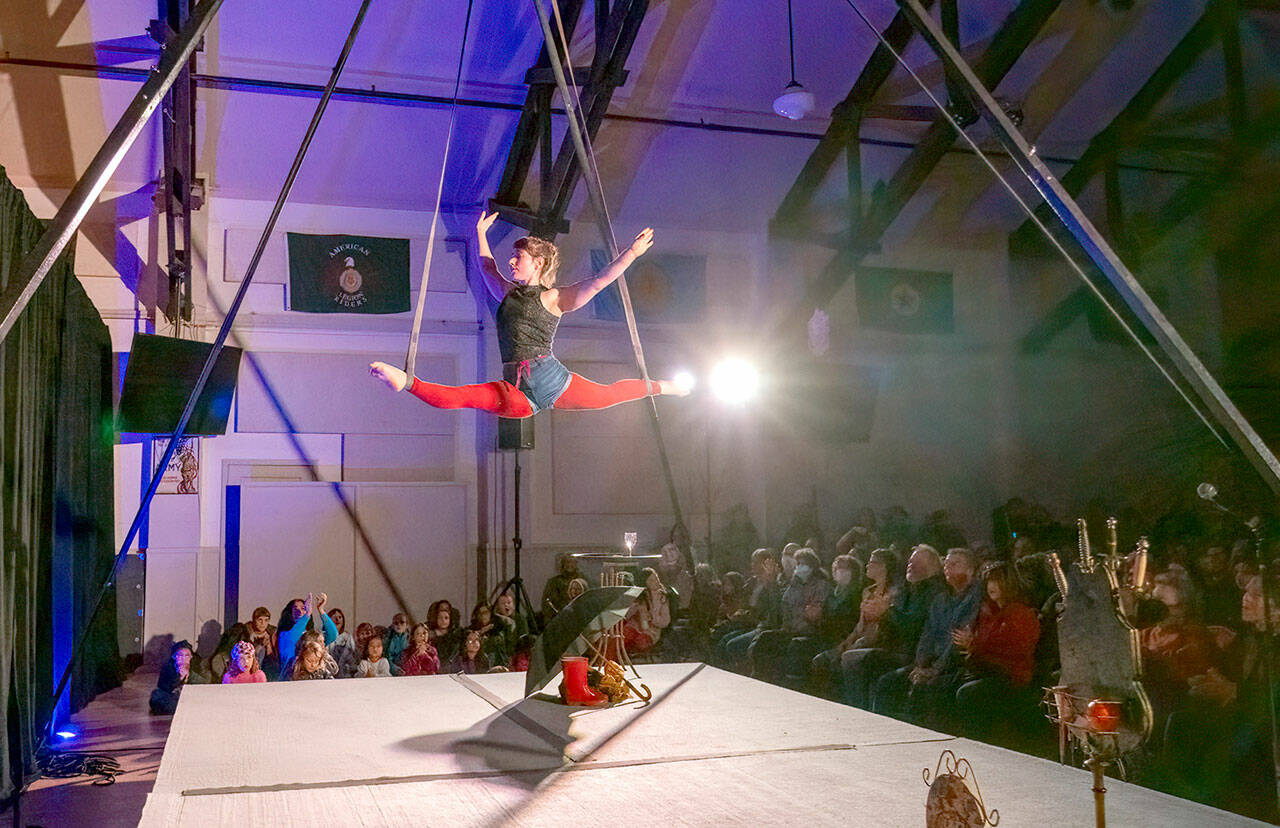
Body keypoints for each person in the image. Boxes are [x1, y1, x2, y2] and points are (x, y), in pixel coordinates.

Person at [370, 215, 689, 417]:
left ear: (537, 263)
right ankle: (406, 382)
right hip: (519, 394)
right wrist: (479, 233)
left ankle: (663, 387)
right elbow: (486, 267)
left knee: (609, 395)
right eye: (511, 256)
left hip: (553, 382)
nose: (511, 262)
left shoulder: (554, 298)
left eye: (517, 257)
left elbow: (600, 280)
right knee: (465, 397)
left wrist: (631, 253)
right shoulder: (507, 293)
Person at [873, 548, 983, 725]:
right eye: (946, 564)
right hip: (932, 663)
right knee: (888, 681)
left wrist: (936, 669)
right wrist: (921, 664)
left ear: (970, 570)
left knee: (928, 688)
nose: (948, 568)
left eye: (955, 564)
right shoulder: (941, 599)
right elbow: (928, 634)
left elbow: (957, 641)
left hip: (955, 666)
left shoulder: (974, 598)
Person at [951, 563, 1041, 740]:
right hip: (987, 670)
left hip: (1011, 677)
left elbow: (1014, 649)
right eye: (989, 581)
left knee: (967, 693)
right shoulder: (989, 613)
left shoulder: (1019, 613)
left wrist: (974, 644)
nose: (990, 586)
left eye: (996, 580)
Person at [277, 593, 338, 666]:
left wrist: (321, 610)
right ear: (289, 613)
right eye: (295, 609)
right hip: (291, 675)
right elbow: (292, 638)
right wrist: (306, 615)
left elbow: (333, 635)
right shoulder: (284, 635)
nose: (299, 612)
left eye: (303, 608)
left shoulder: (311, 635)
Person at [622, 567, 672, 655]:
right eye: (651, 580)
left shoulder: (662, 597)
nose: (656, 582)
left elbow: (665, 621)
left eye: (656, 579)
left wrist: (652, 617)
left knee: (641, 641)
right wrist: (635, 607)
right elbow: (627, 616)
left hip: (651, 631)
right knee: (624, 636)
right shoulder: (639, 597)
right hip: (635, 627)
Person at [150, 640, 208, 714]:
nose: (183, 659)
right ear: (174, 657)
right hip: (173, 698)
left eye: (187, 656)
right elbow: (163, 687)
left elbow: (205, 683)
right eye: (180, 656)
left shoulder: (197, 665)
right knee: (156, 695)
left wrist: (189, 676)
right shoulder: (168, 667)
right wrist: (178, 678)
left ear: (191, 657)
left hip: (191, 697)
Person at [541, 554, 583, 619]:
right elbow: (548, 604)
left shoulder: (583, 580)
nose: (570, 565)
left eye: (572, 562)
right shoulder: (553, 582)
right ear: (563, 565)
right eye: (567, 562)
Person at [327, 607, 360, 678]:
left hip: (345, 673)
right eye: (334, 617)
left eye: (340, 617)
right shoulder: (325, 636)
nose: (337, 620)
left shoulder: (348, 636)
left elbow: (353, 655)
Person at [247, 606, 279, 679]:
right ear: (254, 620)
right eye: (260, 620)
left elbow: (272, 657)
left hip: (267, 669)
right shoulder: (248, 634)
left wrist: (268, 645)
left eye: (266, 620)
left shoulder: (271, 634)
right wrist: (260, 645)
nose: (263, 623)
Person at [427, 599, 463, 664]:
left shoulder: (456, 634)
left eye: (446, 618)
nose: (443, 621)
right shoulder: (429, 634)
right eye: (440, 618)